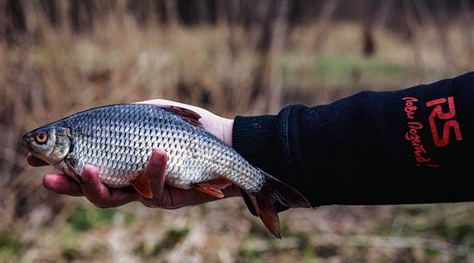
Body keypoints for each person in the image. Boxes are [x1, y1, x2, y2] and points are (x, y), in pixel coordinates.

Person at [27, 72, 474, 214]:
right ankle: (261, 183)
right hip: (197, 148)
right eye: (41, 140)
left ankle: (263, 187)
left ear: (65, 138)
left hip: (192, 151)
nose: (38, 143)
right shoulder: (83, 138)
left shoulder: (82, 137)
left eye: (44, 138)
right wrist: (226, 134)